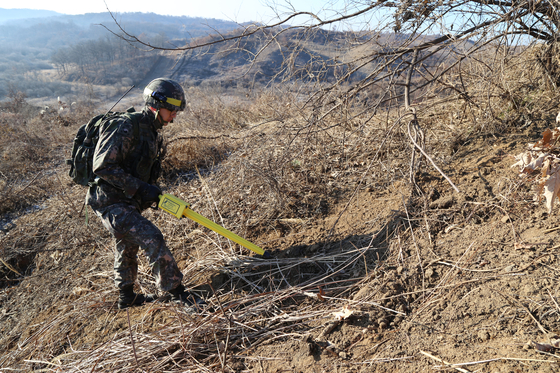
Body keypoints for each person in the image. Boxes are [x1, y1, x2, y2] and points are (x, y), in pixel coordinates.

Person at [87, 78, 206, 310]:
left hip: (127, 200)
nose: (174, 115)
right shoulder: (125, 126)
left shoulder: (150, 130)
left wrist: (147, 191)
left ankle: (126, 297)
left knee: (127, 244)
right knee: (152, 236)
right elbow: (102, 167)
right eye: (171, 110)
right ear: (155, 104)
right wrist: (141, 188)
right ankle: (178, 293)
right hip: (110, 201)